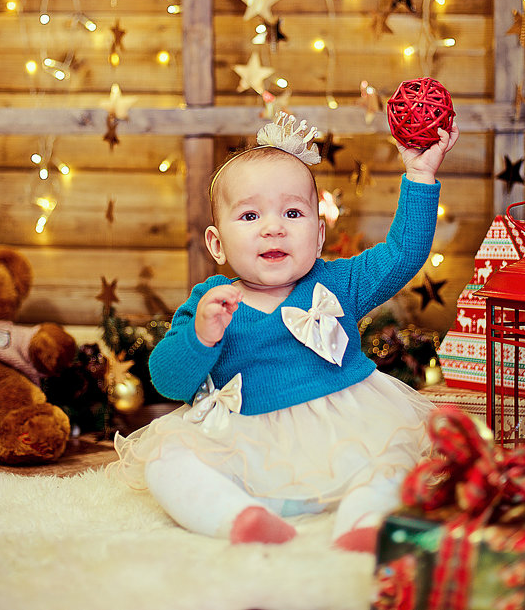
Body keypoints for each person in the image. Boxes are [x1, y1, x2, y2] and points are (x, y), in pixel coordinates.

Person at [109, 112, 459, 552]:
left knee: (393, 458)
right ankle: (237, 515)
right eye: (251, 215)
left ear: (318, 236)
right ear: (217, 244)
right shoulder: (211, 302)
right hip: (244, 446)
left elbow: (403, 254)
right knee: (166, 461)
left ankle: (363, 519)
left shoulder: (338, 284)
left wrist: (420, 174)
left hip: (343, 435)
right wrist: (201, 336)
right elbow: (167, 379)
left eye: (292, 212)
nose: (273, 227)